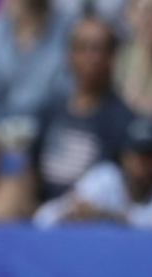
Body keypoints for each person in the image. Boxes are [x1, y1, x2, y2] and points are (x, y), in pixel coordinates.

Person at [30, 15, 134, 202]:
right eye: (83, 48)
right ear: (69, 56)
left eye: (98, 49)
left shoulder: (124, 119)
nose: (91, 57)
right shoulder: (49, 110)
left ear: (112, 57)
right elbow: (31, 168)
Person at [34, 116, 152, 227]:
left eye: (151, 156)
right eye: (137, 155)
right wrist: (68, 211)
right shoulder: (105, 178)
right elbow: (43, 217)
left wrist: (105, 216)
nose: (143, 164)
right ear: (123, 157)